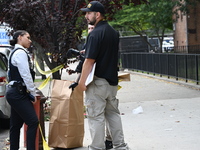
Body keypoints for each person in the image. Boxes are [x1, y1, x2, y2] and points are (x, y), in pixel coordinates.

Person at [79, 1, 129, 150]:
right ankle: (120, 146)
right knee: (113, 114)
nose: (86, 16)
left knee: (95, 117)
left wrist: (82, 82)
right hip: (112, 82)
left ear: (97, 14)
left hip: (97, 83)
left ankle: (96, 147)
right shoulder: (113, 32)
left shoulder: (95, 34)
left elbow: (89, 61)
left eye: (89, 13)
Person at [6, 30, 39, 150]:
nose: (30, 40)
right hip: (18, 93)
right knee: (33, 122)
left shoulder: (15, 51)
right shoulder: (20, 53)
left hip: (15, 92)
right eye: (28, 37)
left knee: (16, 125)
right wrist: (32, 92)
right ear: (20, 37)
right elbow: (26, 75)